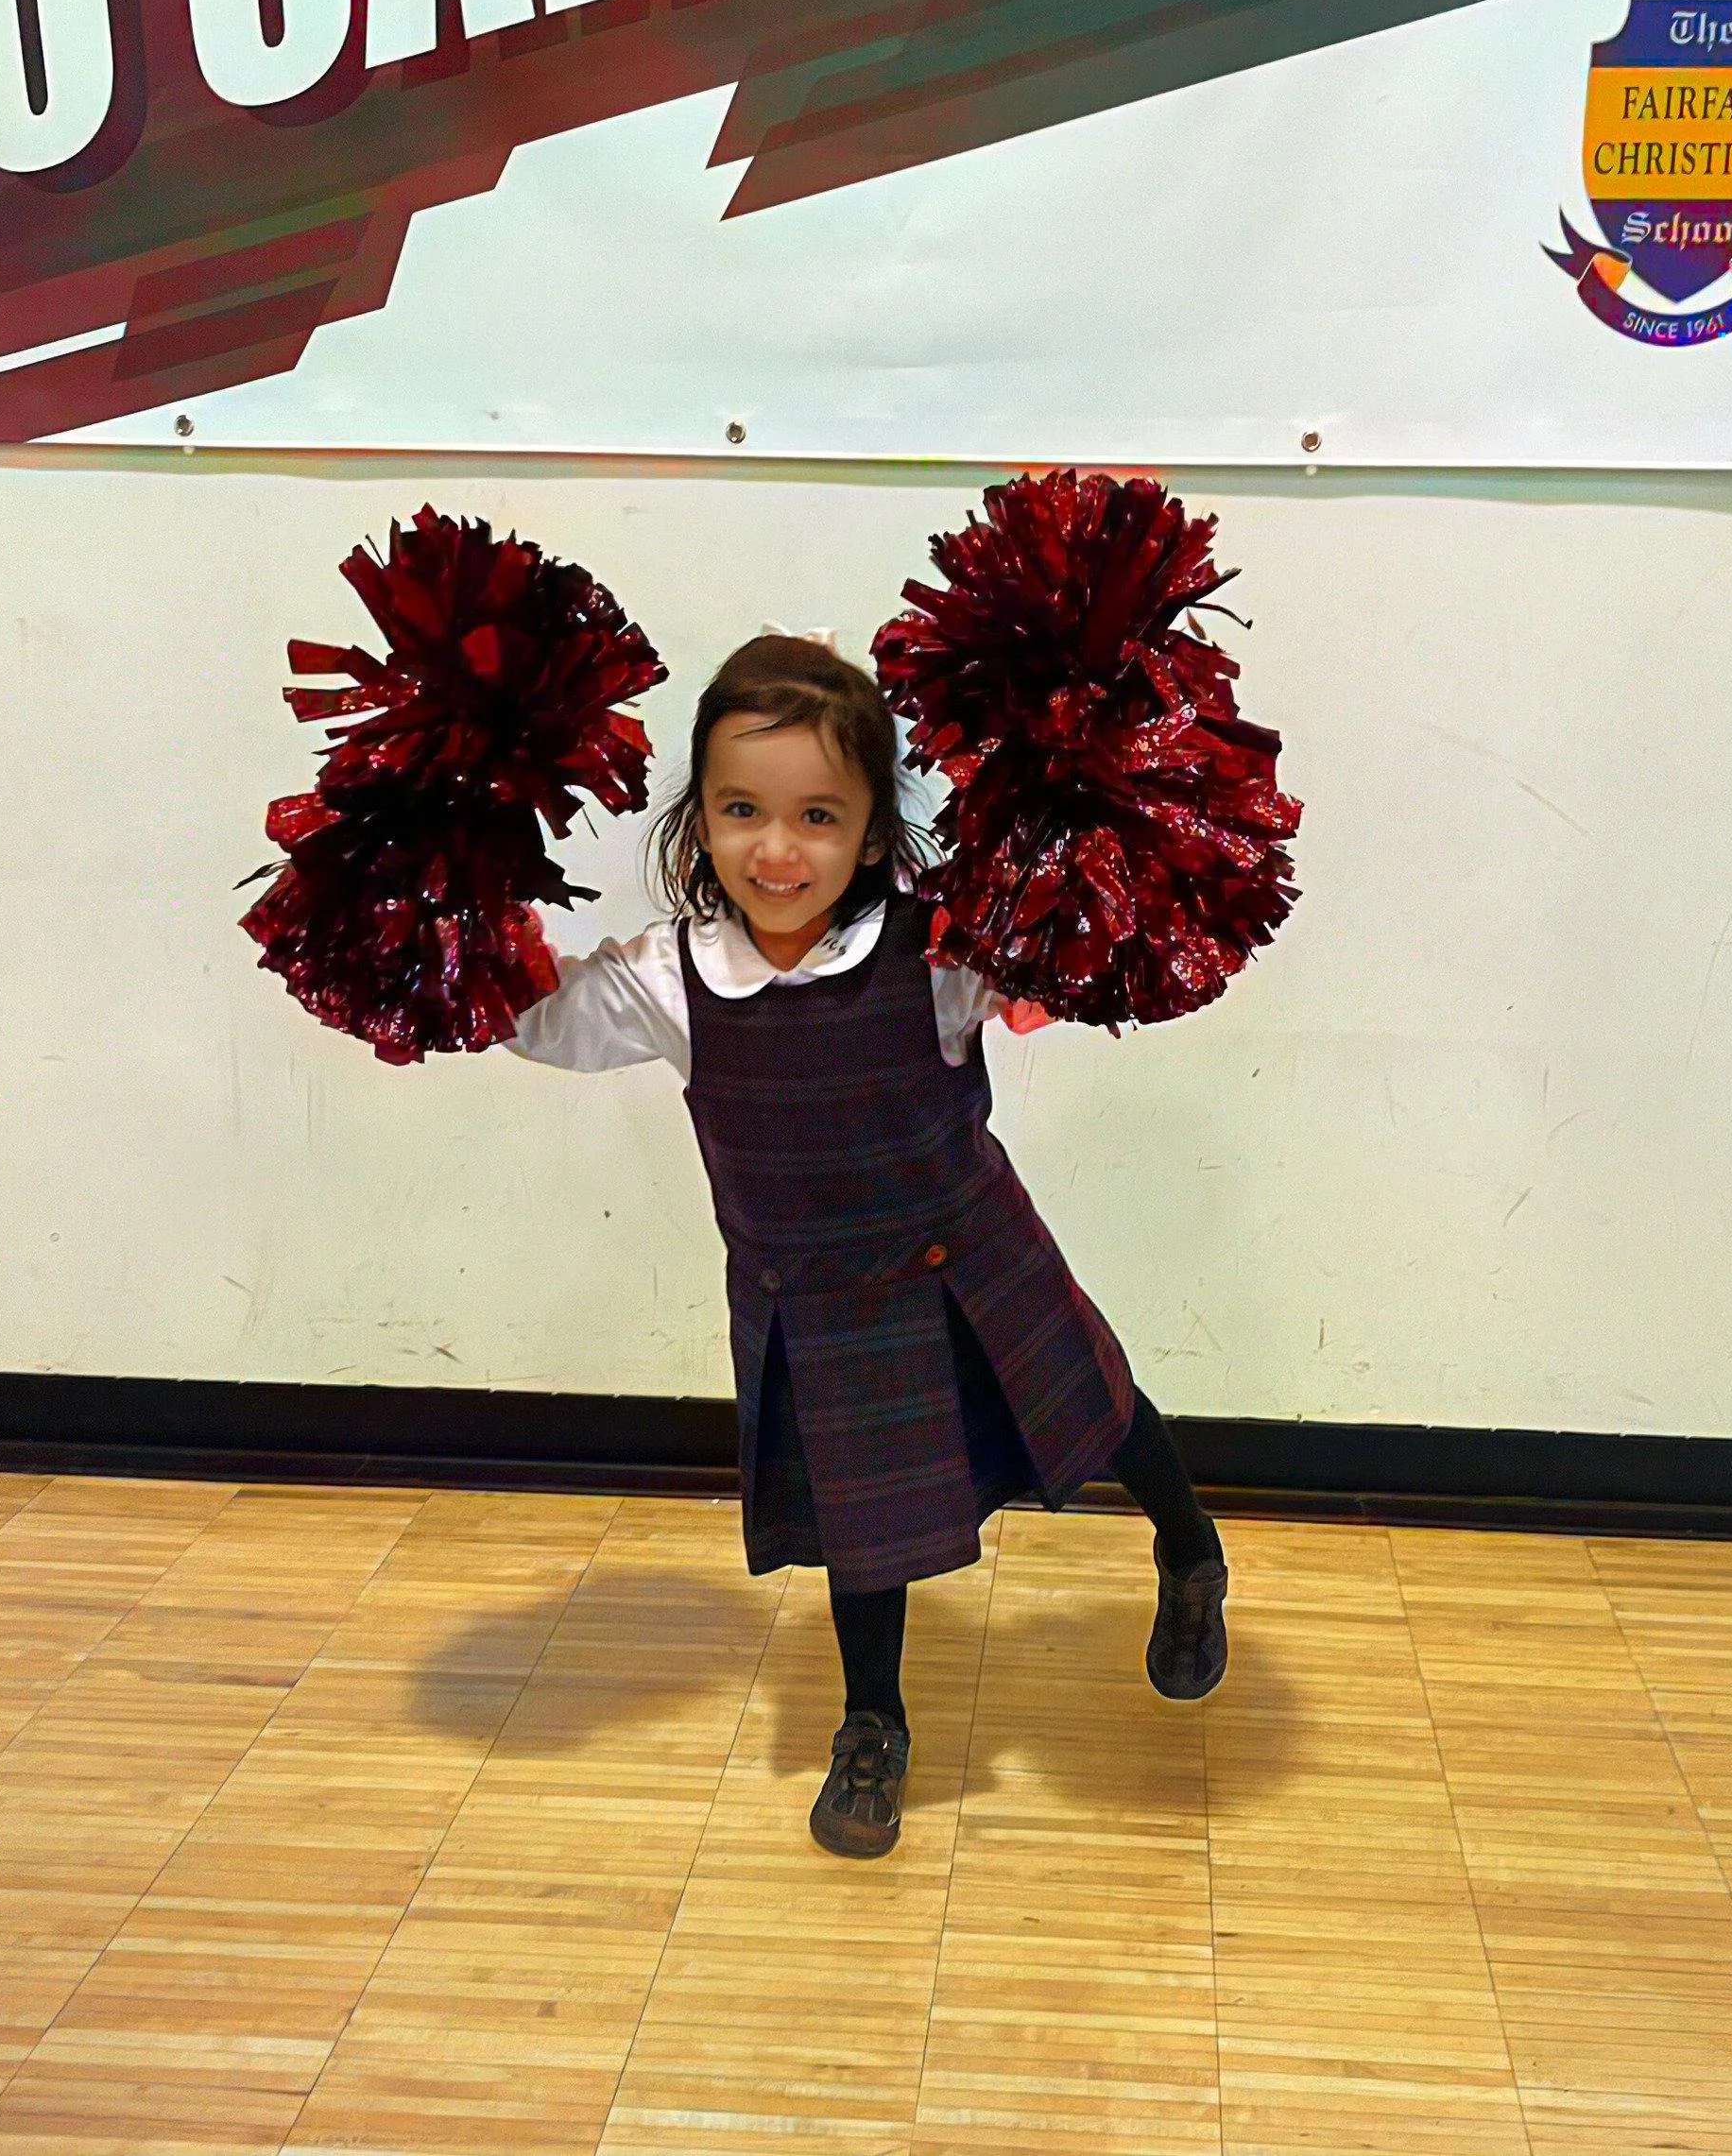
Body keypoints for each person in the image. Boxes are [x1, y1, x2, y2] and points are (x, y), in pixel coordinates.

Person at [507, 633, 1228, 1857]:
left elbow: (1078, 946)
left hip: (969, 1256)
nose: (776, 850)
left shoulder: (935, 951)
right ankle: (873, 1721)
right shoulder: (668, 979)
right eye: (743, 809)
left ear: (872, 834)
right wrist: (454, 884)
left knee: (1093, 1408)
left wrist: (1087, 831)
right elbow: (530, 1021)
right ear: (698, 814)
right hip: (821, 1298)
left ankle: (1188, 1543)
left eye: (817, 816)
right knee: (860, 1516)